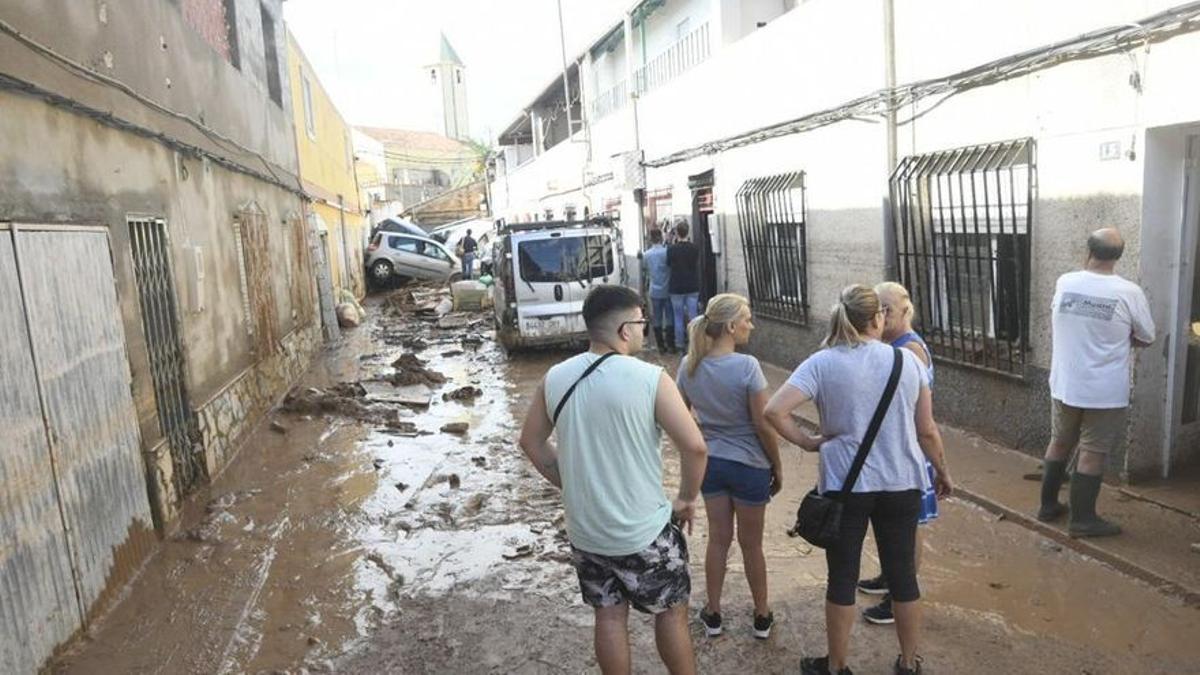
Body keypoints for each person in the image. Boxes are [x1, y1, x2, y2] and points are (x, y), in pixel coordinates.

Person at [518, 284, 709, 675]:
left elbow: (531, 442)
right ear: (624, 329)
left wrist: (571, 484)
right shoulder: (651, 378)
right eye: (642, 323)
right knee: (671, 612)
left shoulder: (555, 377)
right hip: (644, 529)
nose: (644, 330)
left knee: (608, 617)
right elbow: (695, 447)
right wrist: (687, 498)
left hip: (587, 532)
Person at [764, 284, 952, 675]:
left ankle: (835, 666)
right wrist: (942, 472)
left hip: (844, 485)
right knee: (903, 577)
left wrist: (811, 442)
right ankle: (908, 661)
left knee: (842, 578)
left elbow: (774, 410)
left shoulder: (822, 362)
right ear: (877, 319)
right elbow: (927, 430)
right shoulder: (907, 363)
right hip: (901, 482)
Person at [675, 294, 782, 640]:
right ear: (732, 326)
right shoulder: (747, 366)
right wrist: (776, 466)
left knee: (718, 541)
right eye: (747, 319)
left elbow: (680, 418)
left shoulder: (688, 365)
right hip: (750, 465)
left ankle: (714, 613)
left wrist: (705, 437)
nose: (752, 325)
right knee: (752, 545)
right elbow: (764, 425)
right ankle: (762, 616)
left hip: (712, 465)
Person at [1039, 228, 1155, 537]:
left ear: (1087, 251)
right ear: (1119, 256)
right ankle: (1083, 520)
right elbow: (1147, 336)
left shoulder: (1065, 282)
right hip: (1103, 391)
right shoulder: (1128, 292)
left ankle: (1048, 506)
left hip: (1065, 383)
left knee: (1059, 441)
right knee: (1091, 452)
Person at [856, 282, 940, 626]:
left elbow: (917, 416)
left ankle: (899, 596)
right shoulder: (890, 344)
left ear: (905, 311)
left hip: (910, 451)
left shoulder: (911, 350)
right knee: (892, 525)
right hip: (895, 448)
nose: (882, 315)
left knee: (910, 529)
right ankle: (889, 577)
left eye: (887, 309)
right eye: (879, 309)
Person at [667, 220, 701, 352]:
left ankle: (680, 344)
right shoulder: (695, 248)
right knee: (693, 316)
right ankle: (694, 343)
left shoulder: (671, 249)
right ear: (688, 231)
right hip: (692, 285)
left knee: (678, 317)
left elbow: (669, 264)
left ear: (676, 233)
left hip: (676, 287)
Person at [642, 229, 675, 352]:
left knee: (657, 317)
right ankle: (671, 344)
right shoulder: (667, 252)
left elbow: (645, 270)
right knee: (670, 316)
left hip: (654, 290)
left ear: (650, 239)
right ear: (661, 238)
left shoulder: (647, 255)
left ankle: (661, 346)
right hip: (667, 289)